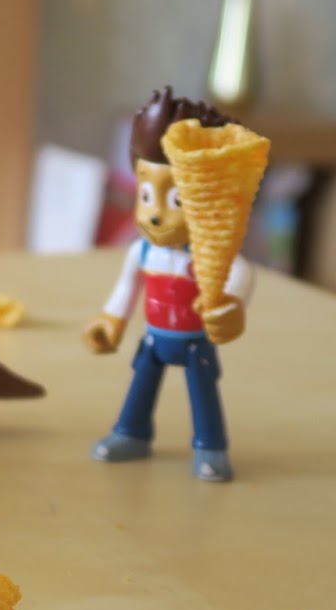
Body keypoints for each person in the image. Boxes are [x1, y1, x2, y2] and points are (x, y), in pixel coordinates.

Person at [83, 87, 253, 483]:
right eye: (146, 195)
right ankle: (131, 433)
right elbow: (126, 288)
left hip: (195, 342)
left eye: (176, 200)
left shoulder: (210, 257)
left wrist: (232, 308)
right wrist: (111, 320)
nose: (155, 215)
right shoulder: (143, 252)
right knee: (140, 387)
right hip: (154, 338)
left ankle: (210, 447)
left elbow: (241, 278)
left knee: (203, 394)